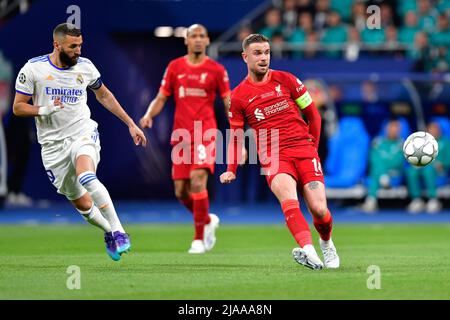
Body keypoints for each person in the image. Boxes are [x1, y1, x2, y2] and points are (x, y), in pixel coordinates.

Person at [13, 23, 147, 261]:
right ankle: (108, 231)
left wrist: (130, 124)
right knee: (83, 204)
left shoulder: (85, 67)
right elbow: (18, 107)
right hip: (53, 146)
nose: (78, 51)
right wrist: (44, 109)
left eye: (80, 45)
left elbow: (104, 95)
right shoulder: (33, 69)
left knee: (87, 175)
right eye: (73, 46)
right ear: (57, 44)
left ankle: (119, 231)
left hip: (82, 133)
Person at [220, 34, 339, 270]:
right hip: (274, 156)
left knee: (319, 209)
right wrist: (231, 168)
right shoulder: (239, 97)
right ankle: (309, 251)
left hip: (304, 150)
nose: (263, 58)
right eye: (257, 53)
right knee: (289, 199)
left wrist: (312, 150)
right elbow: (235, 135)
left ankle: (327, 244)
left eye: (266, 52)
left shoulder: (287, 80)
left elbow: (314, 116)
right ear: (245, 57)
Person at [139, 24, 230, 254]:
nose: (198, 40)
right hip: (181, 135)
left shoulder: (217, 70)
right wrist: (149, 115)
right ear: (186, 40)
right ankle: (207, 219)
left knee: (198, 180)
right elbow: (161, 97)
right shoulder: (175, 67)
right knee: (181, 191)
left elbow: (229, 102)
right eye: (193, 36)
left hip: (205, 133)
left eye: (202, 36)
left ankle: (198, 239)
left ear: (208, 40)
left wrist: (239, 128)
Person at [361, 118, 404, 213]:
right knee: (376, 170)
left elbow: (398, 162)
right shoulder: (378, 142)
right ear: (386, 128)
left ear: (399, 130)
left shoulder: (402, 144)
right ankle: (382, 177)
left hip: (394, 175)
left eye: (396, 127)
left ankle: (371, 201)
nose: (393, 130)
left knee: (376, 173)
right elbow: (373, 158)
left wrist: (384, 171)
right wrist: (383, 173)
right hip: (379, 174)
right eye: (391, 127)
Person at [406, 121, 450, 214]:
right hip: (424, 168)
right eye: (431, 128)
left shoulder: (446, 142)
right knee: (412, 171)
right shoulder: (422, 143)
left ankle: (433, 200)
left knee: (428, 170)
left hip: (440, 171)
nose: (434, 131)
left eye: (436, 129)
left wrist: (443, 164)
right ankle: (416, 200)